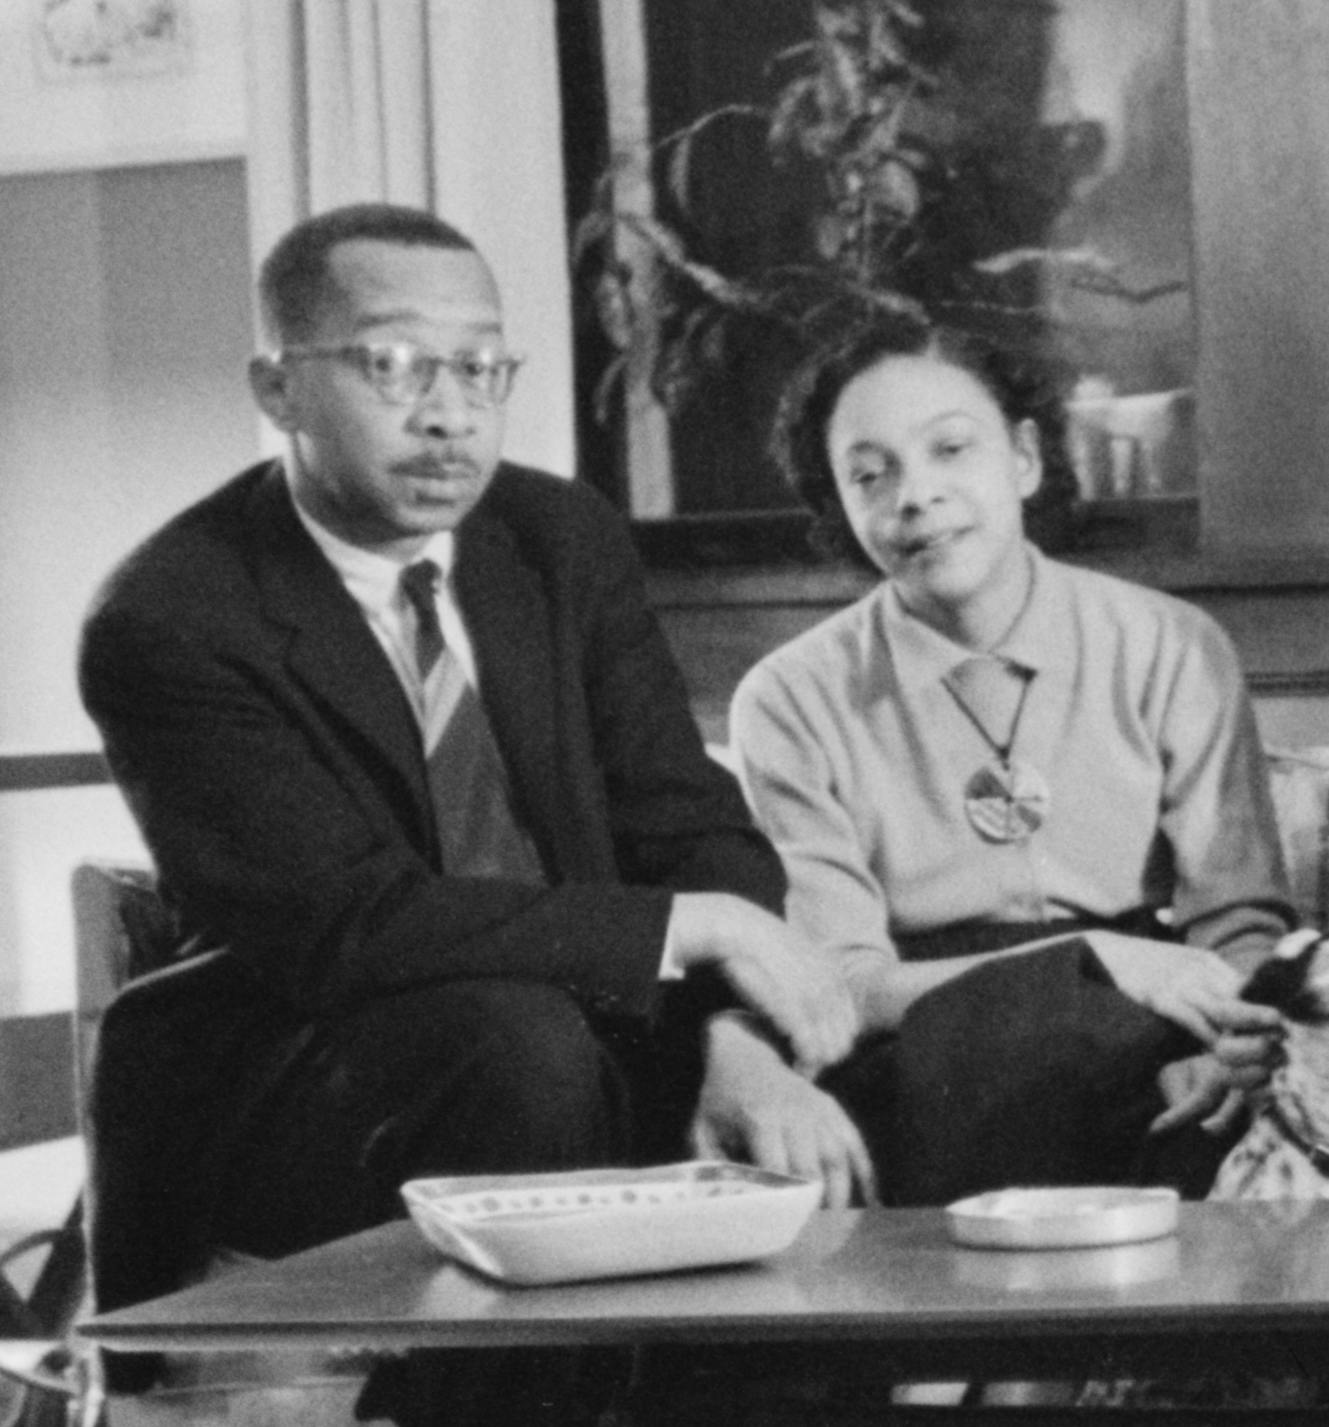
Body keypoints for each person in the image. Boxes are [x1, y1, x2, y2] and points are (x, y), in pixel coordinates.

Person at [77, 202, 864, 1425]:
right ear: (278, 388)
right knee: (518, 1046)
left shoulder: (556, 540)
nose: (449, 411)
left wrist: (733, 1034)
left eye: (482, 367)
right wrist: (687, 932)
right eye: (392, 364)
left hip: (572, 1027)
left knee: (858, 1065)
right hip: (303, 1080)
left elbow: (686, 820)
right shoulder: (175, 615)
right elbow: (349, 924)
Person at [726, 312, 1295, 1206]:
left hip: (1157, 1021)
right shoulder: (790, 696)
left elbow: (1238, 920)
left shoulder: (1169, 644)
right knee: (1011, 1056)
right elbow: (840, 986)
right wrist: (1084, 957)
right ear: (839, 504)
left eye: (950, 449)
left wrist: (1217, 1050)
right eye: (870, 475)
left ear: (1024, 458)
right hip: (926, 1044)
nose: (914, 495)